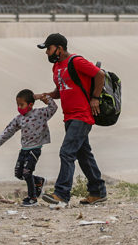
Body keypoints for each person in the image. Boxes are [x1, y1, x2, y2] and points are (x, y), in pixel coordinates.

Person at [34, 33, 107, 208]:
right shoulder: (57, 67)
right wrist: (45, 95)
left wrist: (95, 98)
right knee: (83, 155)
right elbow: (61, 91)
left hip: (82, 115)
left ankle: (61, 194)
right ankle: (98, 192)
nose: (47, 53)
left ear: (59, 48)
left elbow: (100, 75)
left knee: (66, 152)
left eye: (49, 49)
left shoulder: (76, 61)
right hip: (69, 116)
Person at [0, 89, 58, 207]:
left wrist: (43, 97)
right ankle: (39, 181)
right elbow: (8, 131)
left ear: (30, 104)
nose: (19, 107)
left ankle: (32, 199)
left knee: (27, 173)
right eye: (18, 105)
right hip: (24, 149)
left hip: (35, 149)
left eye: (22, 104)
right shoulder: (18, 119)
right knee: (19, 174)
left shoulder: (40, 114)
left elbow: (53, 108)